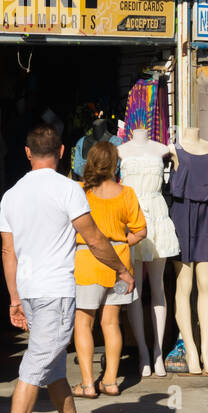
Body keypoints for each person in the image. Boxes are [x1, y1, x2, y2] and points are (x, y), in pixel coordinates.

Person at [0, 124, 134, 413]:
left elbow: (7, 251)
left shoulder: (11, 194)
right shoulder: (68, 189)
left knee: (53, 366)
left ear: (27, 153)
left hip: (28, 289)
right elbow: (96, 239)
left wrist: (13, 298)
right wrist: (122, 270)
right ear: (62, 151)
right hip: (55, 291)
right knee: (37, 363)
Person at [72, 141, 146, 398]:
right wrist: (123, 241)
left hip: (87, 261)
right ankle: (111, 381)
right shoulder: (127, 193)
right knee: (112, 322)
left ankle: (87, 383)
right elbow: (141, 231)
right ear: (115, 164)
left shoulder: (80, 191)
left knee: (83, 322)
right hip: (120, 261)